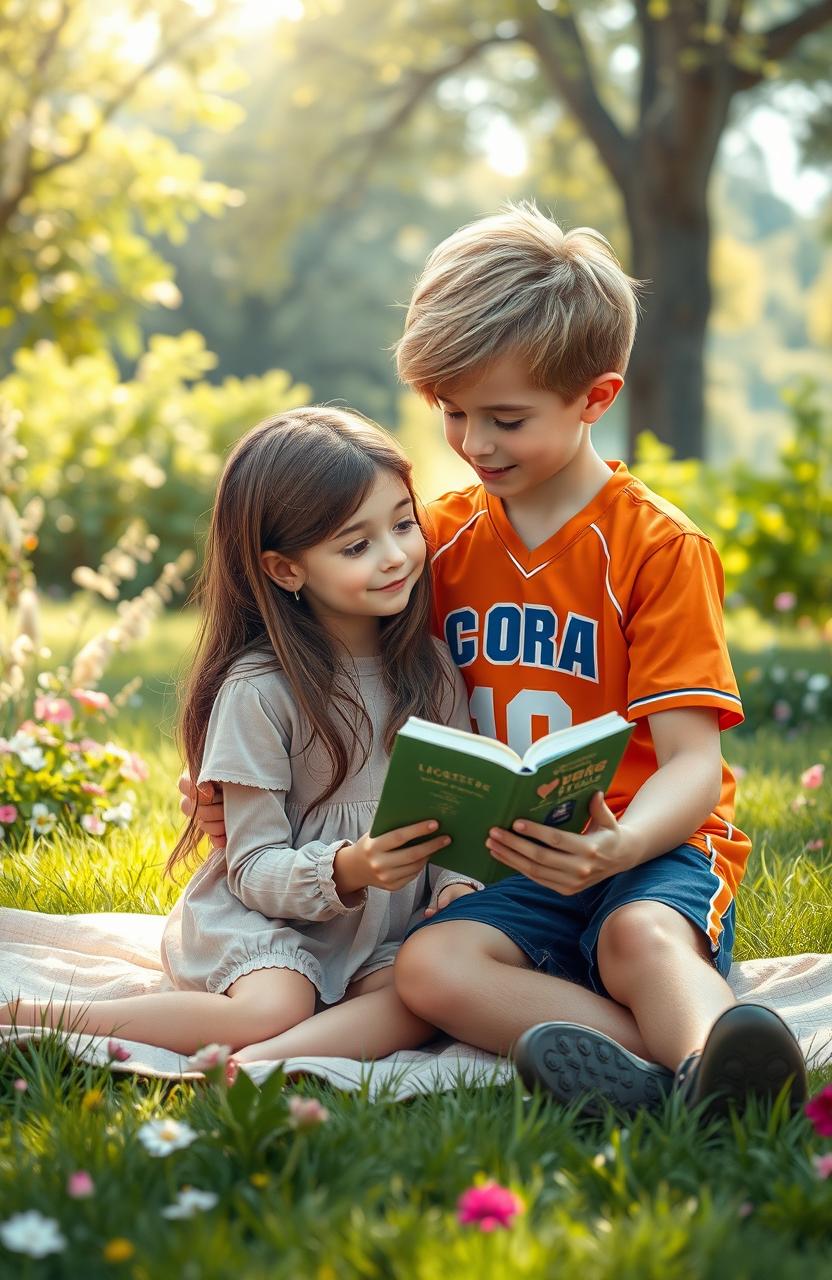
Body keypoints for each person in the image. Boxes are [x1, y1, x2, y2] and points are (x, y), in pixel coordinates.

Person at [185, 205, 807, 1117]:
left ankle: (728, 1077)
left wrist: (617, 847)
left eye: (506, 419)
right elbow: (311, 655)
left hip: (646, 848)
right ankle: (675, 1074)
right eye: (452, 412)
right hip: (507, 862)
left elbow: (693, 767)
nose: (475, 444)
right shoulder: (431, 538)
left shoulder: (655, 548)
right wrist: (232, 783)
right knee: (434, 965)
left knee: (637, 939)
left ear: (596, 398)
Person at [1, 408, 478, 1059]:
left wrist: (452, 884)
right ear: (286, 570)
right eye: (356, 545)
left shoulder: (434, 671)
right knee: (275, 1005)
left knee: (432, 992)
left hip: (377, 931)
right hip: (266, 919)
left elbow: (454, 810)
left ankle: (253, 1068)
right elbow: (251, 865)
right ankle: (44, 1012)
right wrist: (350, 867)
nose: (396, 556)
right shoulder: (261, 690)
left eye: (403, 524)